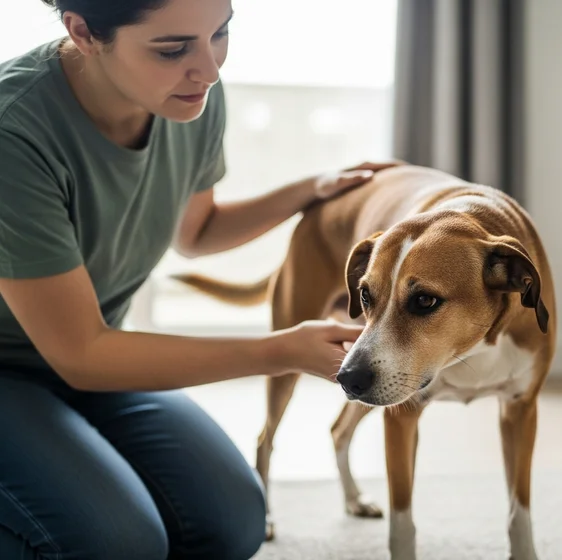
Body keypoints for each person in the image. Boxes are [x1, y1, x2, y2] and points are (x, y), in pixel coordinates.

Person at [0, 0, 397, 558]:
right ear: (83, 32)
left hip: (84, 360)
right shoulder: (13, 133)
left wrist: (310, 188)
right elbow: (81, 354)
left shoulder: (186, 95)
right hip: (45, 364)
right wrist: (278, 350)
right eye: (173, 49)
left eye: (220, 33)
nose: (209, 69)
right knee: (119, 545)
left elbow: (197, 230)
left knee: (231, 522)